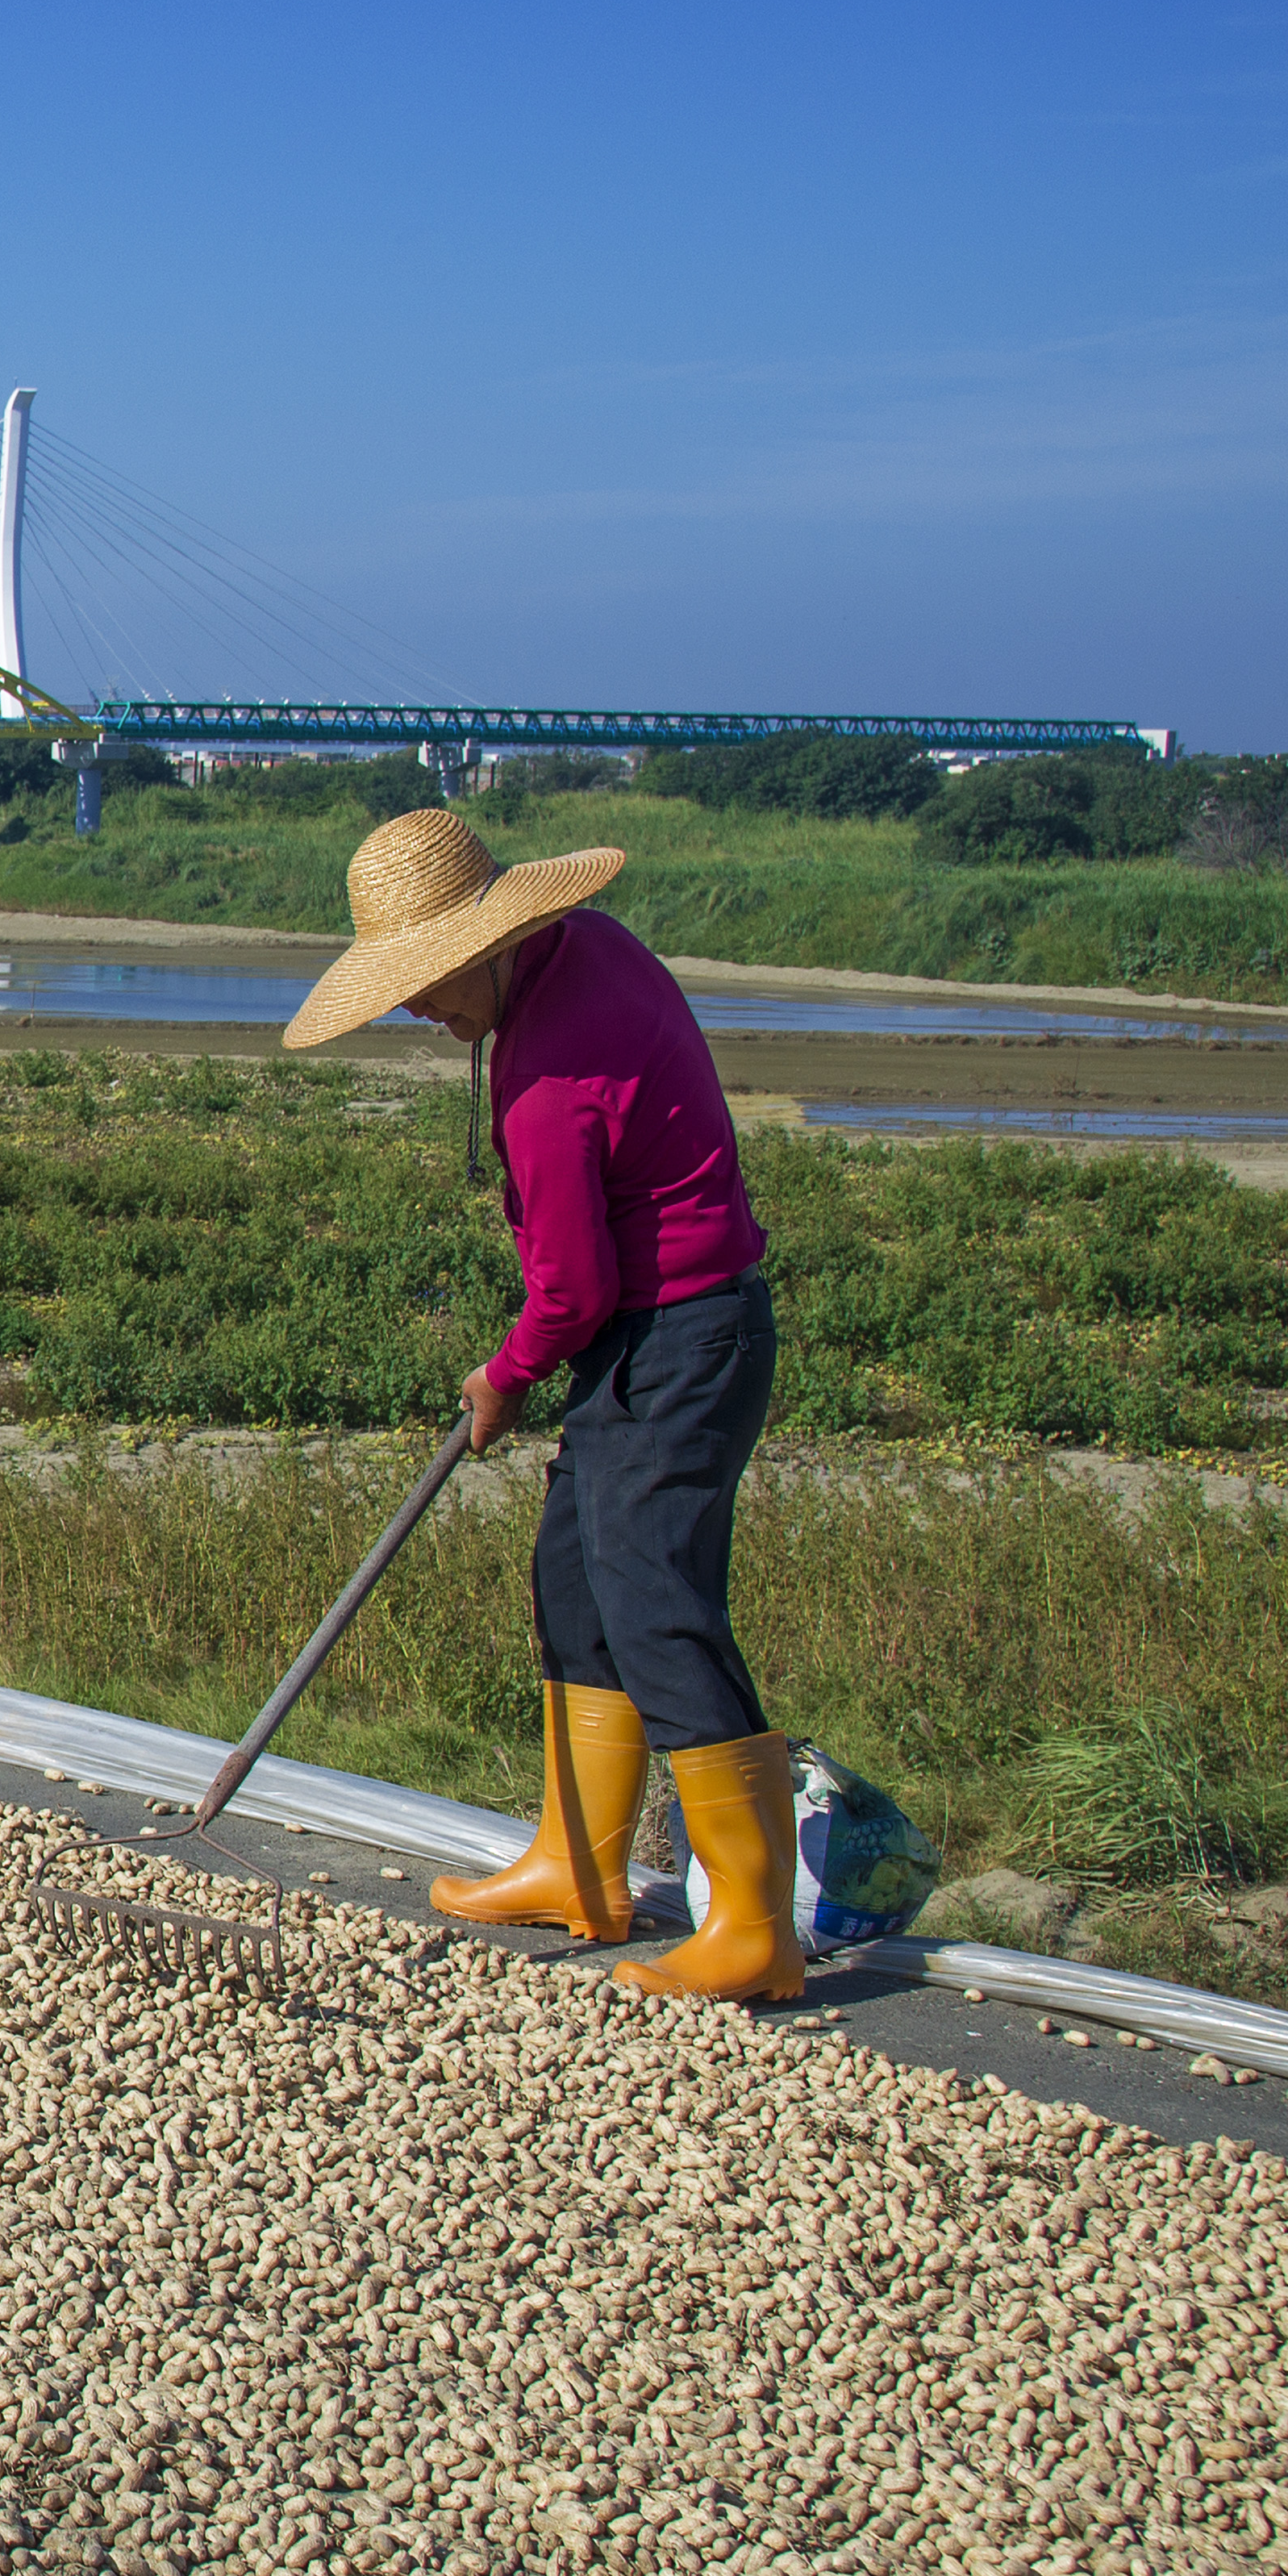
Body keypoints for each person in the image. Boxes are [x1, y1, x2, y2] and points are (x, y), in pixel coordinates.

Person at [279, 807, 803, 2004]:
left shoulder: (550, 1080)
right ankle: (579, 1865)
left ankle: (756, 1927)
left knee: (655, 1603)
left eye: (425, 986)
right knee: (577, 1589)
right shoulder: (580, 952)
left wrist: (505, 1378)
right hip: (646, 1336)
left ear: (492, 942)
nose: (416, 1010)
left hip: (682, 1334)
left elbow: (574, 1288)